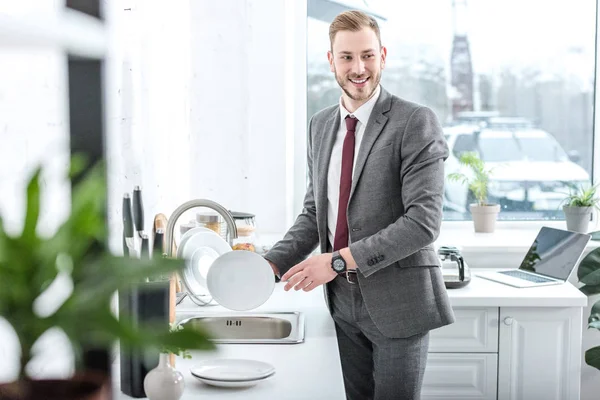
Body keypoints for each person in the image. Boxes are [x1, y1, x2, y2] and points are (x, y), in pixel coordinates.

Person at [264, 10, 455, 400]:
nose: (359, 68)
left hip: (399, 302)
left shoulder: (414, 121)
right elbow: (316, 212)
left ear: (382, 55)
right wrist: (271, 262)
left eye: (367, 55)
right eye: (347, 57)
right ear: (331, 61)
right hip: (340, 302)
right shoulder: (320, 125)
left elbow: (423, 223)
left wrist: (335, 261)